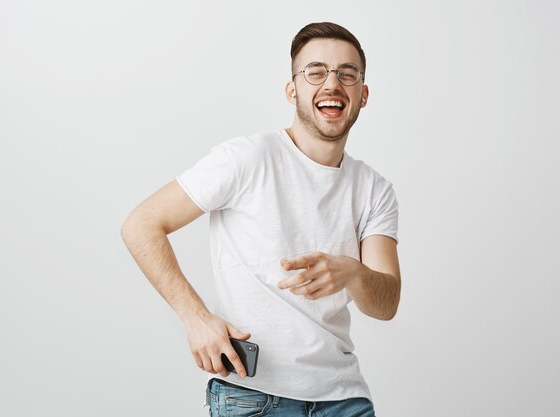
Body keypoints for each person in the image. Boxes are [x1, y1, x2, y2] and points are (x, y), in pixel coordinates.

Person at [121, 21, 401, 417]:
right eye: (315, 72)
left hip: (344, 399)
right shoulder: (246, 159)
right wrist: (196, 318)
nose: (332, 84)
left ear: (363, 94)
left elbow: (386, 303)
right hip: (253, 397)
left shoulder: (374, 189)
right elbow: (142, 224)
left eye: (347, 74)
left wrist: (351, 272)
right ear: (293, 90)